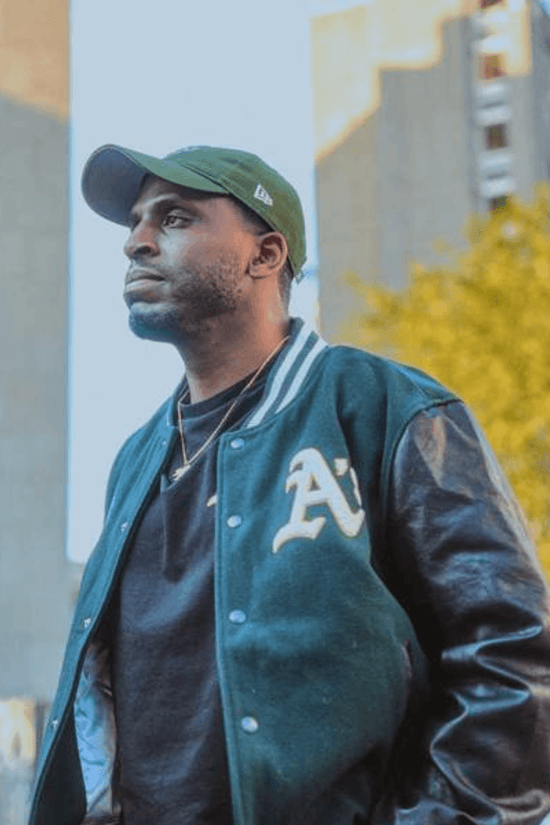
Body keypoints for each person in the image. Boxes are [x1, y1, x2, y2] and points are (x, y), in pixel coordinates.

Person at [29, 144, 550, 825]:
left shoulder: (387, 409)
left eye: (175, 218)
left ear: (265, 254)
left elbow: (512, 657)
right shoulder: (135, 459)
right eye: (134, 223)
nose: (137, 242)